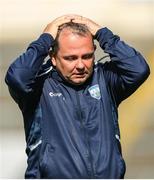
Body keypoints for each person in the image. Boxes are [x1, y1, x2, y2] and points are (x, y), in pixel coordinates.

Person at [5, 14, 150, 179]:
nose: (80, 65)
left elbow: (138, 69)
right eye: (71, 58)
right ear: (52, 57)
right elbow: (17, 77)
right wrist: (44, 40)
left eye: (87, 56)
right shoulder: (38, 85)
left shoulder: (105, 79)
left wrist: (103, 33)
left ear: (95, 51)